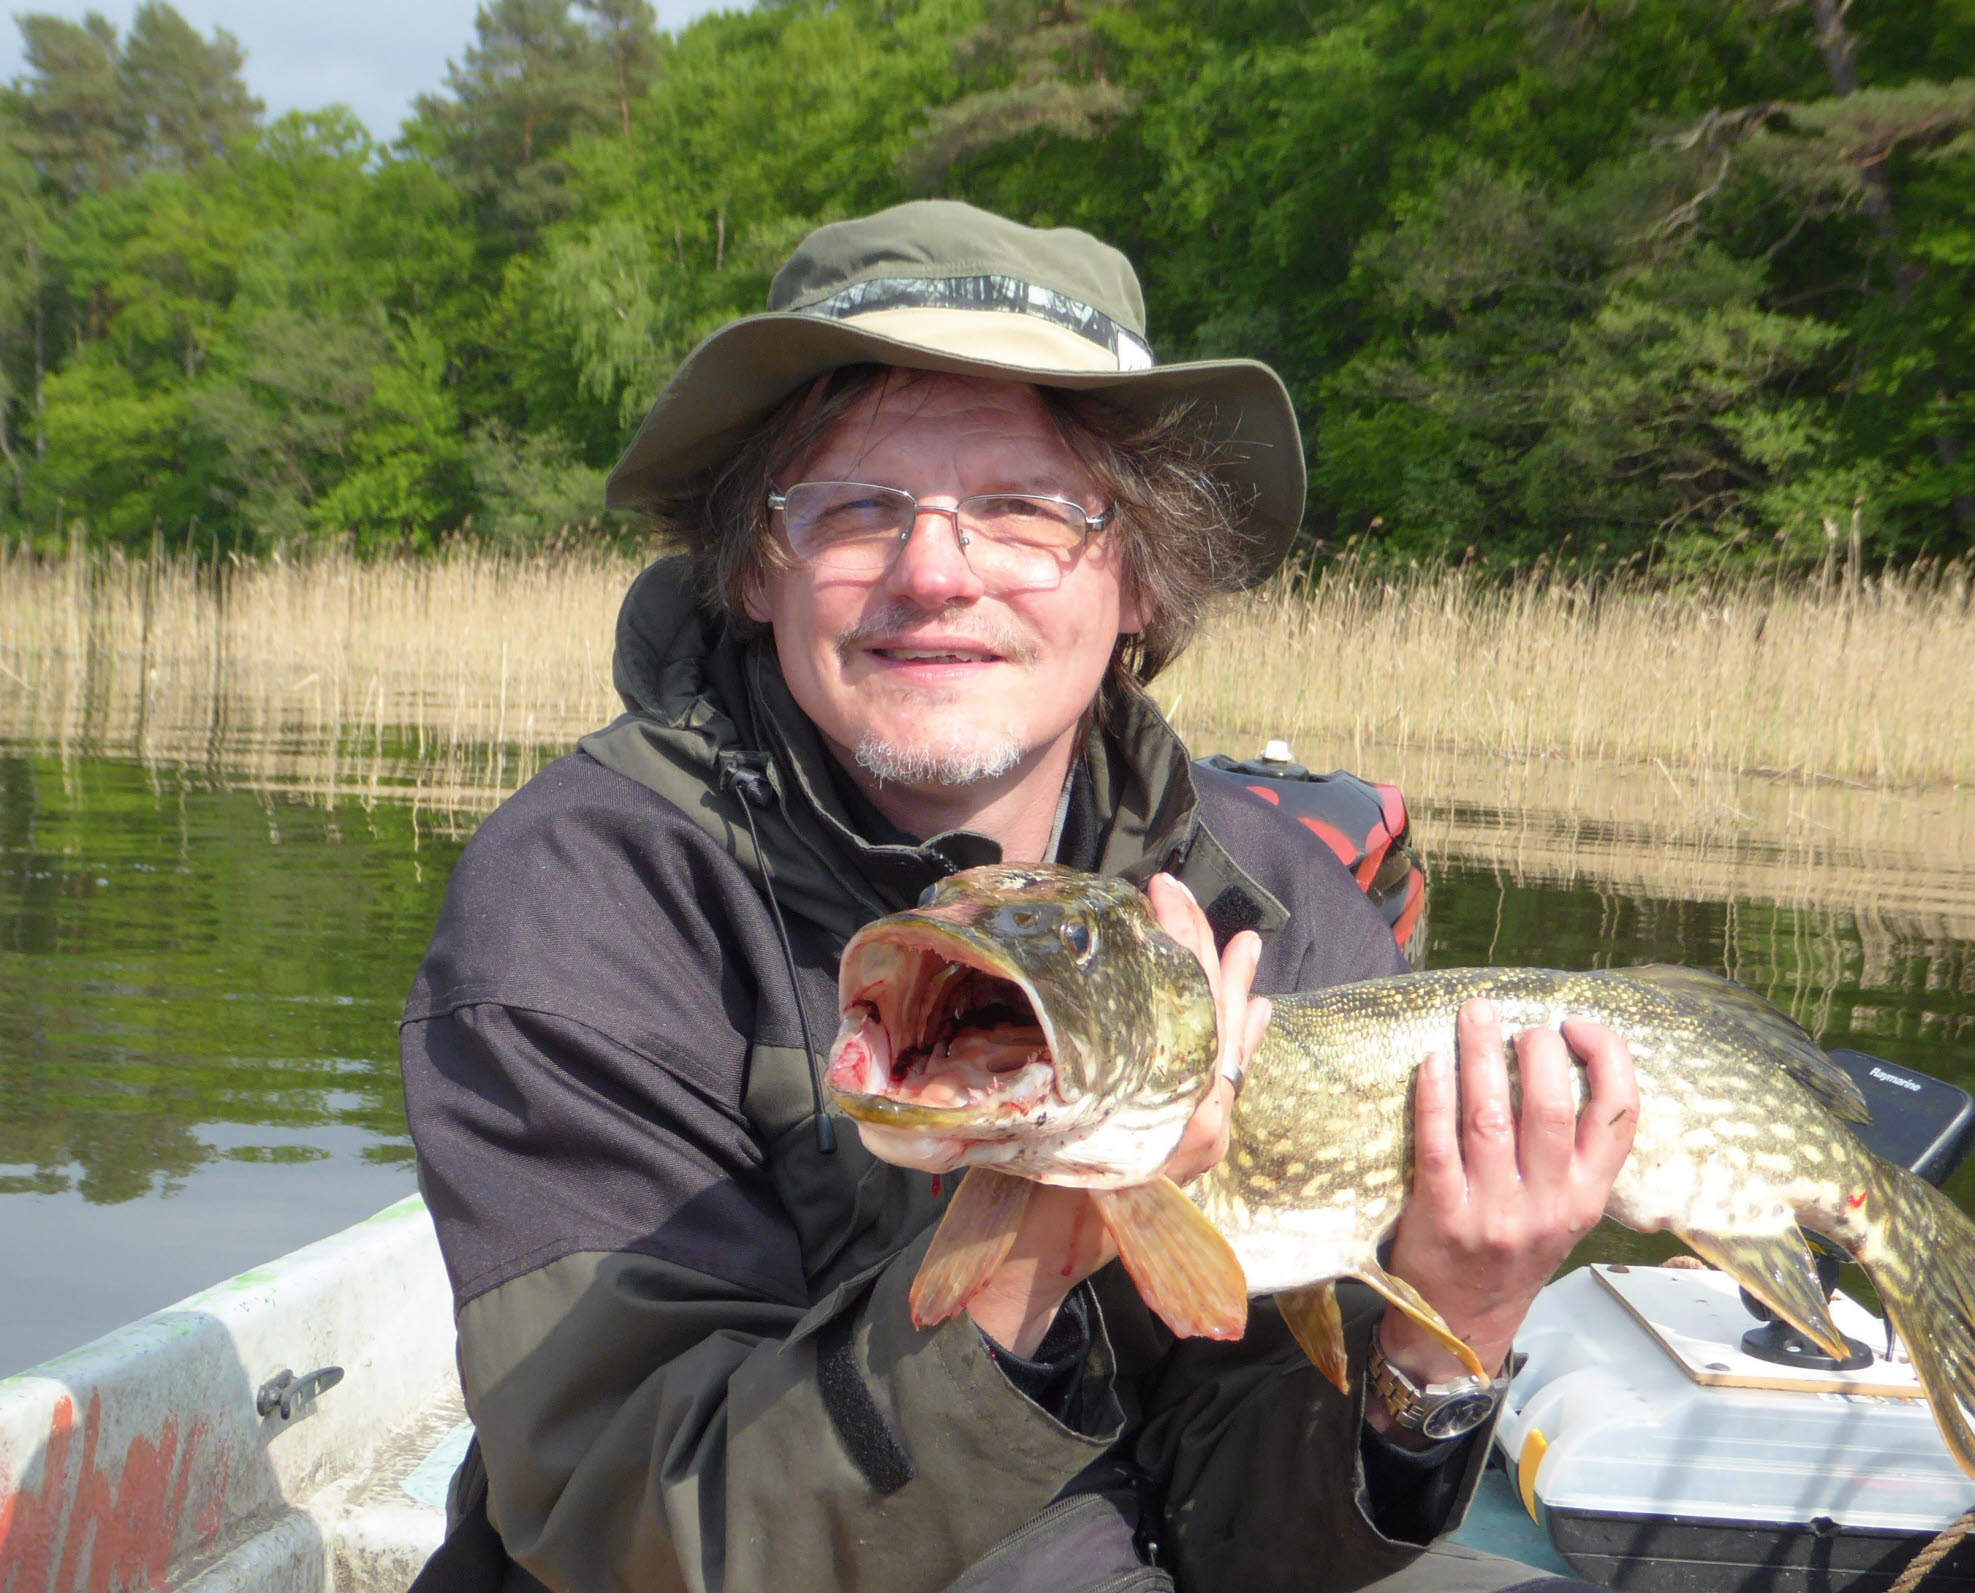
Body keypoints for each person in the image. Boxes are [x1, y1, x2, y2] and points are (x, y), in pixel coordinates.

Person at [400, 200, 1639, 1593]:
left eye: (1024, 507)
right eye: (860, 506)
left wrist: (1444, 1335)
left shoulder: (1273, 904)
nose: (938, 571)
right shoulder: (588, 900)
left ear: (1136, 576)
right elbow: (636, 1527)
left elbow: (1253, 1540)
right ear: (758, 564)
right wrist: (1035, 1242)